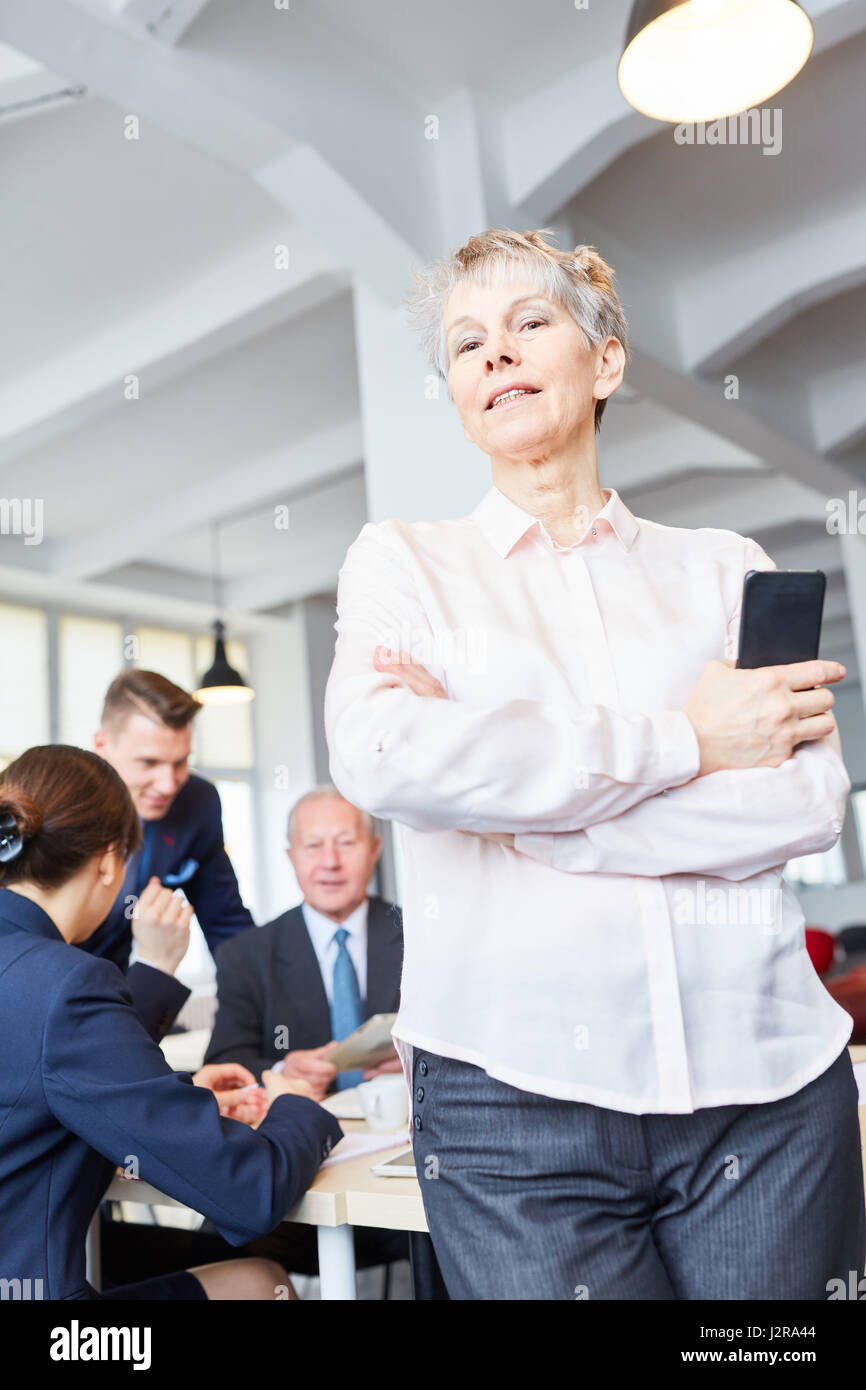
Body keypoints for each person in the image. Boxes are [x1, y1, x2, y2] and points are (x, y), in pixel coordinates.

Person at [323, 226, 866, 1299]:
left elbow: (805, 802)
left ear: (603, 360)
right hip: (509, 1103)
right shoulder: (401, 565)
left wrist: (515, 811)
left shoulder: (726, 570)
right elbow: (384, 755)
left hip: (766, 1094)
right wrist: (687, 742)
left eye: (528, 323)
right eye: (466, 342)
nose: (493, 353)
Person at [0, 744, 342, 1301]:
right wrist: (298, 1106)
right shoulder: (67, 983)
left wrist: (175, 1101)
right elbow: (249, 1191)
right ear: (111, 860)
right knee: (264, 1285)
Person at [101, 785, 409, 1287]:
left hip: (396, 1174)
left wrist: (418, 1060)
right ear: (290, 856)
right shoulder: (248, 953)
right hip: (298, 1181)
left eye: (346, 844)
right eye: (313, 846)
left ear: (374, 850)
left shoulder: (417, 937)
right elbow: (228, 1059)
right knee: (219, 1243)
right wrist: (281, 1071)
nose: (329, 862)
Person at [83, 668, 254, 972]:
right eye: (149, 762)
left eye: (180, 762)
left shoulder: (198, 804)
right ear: (102, 746)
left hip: (115, 985)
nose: (168, 784)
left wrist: (264, 1006)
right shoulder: (60, 804)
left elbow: (226, 923)